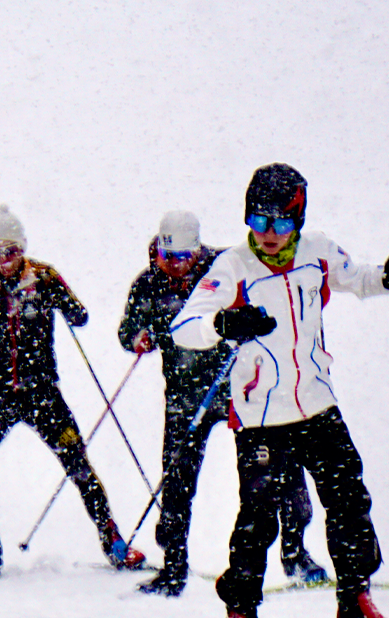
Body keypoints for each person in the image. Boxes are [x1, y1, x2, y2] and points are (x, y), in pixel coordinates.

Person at [169, 163, 389, 618]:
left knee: (349, 499)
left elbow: (359, 279)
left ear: (299, 221)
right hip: (262, 414)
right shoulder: (233, 267)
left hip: (317, 404)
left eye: (281, 224)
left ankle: (357, 607)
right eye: (258, 220)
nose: (268, 234)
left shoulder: (317, 253)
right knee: (257, 517)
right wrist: (223, 322)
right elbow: (184, 326)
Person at [0, 206, 146, 577]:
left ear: (22, 249)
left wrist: (66, 307)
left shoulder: (42, 276)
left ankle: (113, 541)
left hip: (42, 394)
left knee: (78, 465)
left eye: (10, 251)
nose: (3, 260)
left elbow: (79, 314)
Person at [118, 211, 327, 597]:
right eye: (170, 258)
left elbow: (267, 304)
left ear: (197, 249)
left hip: (238, 388)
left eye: (185, 257)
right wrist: (139, 338)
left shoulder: (224, 267)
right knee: (177, 479)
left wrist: (249, 324)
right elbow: (127, 330)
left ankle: (296, 553)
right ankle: (173, 567)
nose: (178, 266)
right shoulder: (147, 284)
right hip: (185, 397)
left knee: (275, 470)